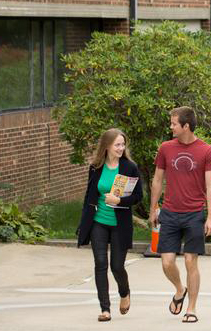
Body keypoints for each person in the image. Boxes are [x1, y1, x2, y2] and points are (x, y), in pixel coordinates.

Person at [149, 106, 211, 324]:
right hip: (169, 213)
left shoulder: (206, 151)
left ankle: (191, 308)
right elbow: (157, 180)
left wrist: (210, 217)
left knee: (191, 261)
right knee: (167, 262)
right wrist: (153, 208)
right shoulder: (166, 148)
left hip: (194, 214)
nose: (171, 127)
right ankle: (180, 290)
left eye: (174, 124)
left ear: (185, 126)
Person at [77, 128, 143, 322]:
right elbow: (89, 196)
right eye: (117, 145)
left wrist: (119, 201)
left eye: (123, 144)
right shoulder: (95, 167)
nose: (121, 148)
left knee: (116, 266)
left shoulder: (130, 167)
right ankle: (105, 309)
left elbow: (139, 196)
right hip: (99, 221)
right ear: (107, 146)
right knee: (100, 264)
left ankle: (125, 292)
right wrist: (83, 223)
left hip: (119, 224)